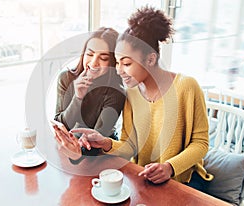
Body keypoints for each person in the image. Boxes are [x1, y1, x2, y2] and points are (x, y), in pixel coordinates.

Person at [54, 6, 213, 191]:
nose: (119, 70)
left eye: (127, 63)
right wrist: (105, 142)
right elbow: (130, 146)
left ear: (150, 59)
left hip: (184, 179)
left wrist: (170, 167)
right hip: (143, 177)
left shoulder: (186, 86)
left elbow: (201, 143)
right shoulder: (132, 93)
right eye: (118, 62)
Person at [54, 27, 126, 163]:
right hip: (69, 147)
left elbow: (97, 138)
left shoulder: (116, 93)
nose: (93, 63)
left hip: (100, 153)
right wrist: (78, 98)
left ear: (112, 62)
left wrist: (77, 153)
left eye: (103, 58)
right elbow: (60, 125)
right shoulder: (66, 78)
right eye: (90, 54)